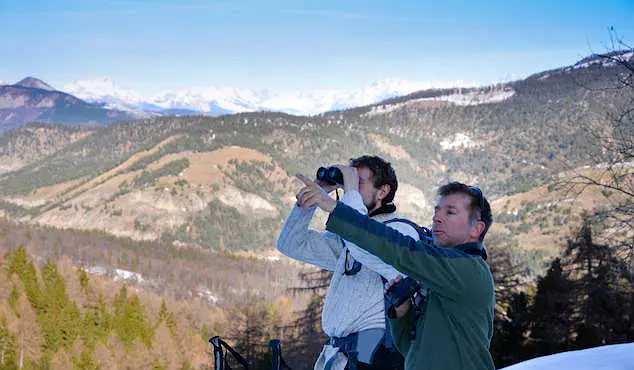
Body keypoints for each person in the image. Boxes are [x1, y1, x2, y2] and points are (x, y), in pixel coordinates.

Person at [295, 170, 496, 370]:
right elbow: (410, 348)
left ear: (476, 229)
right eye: (437, 211)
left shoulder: (468, 269)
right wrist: (403, 312)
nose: (437, 218)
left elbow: (399, 249)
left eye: (450, 212)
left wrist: (335, 208)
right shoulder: (442, 276)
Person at [277, 156, 421, 370]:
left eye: (358, 183)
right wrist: (309, 201)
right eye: (348, 183)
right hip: (341, 357)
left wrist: (346, 203)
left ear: (382, 192)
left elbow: (367, 248)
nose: (350, 190)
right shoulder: (348, 241)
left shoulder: (401, 232)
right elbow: (291, 244)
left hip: (375, 355)